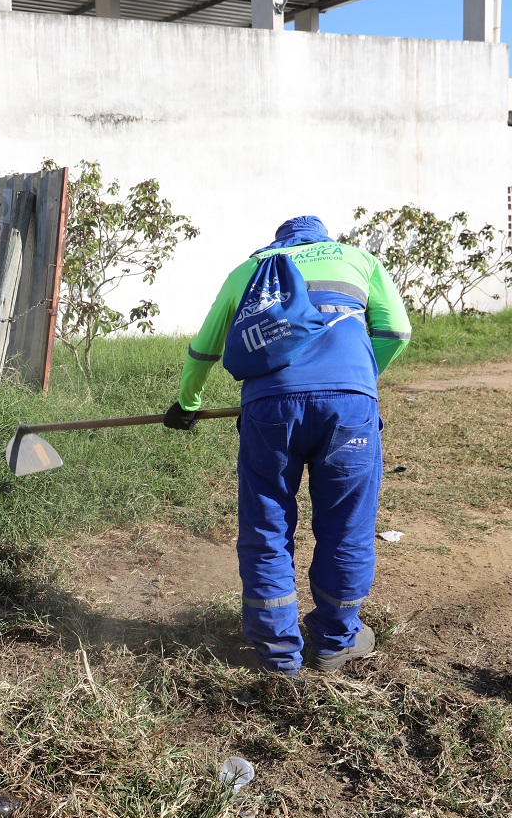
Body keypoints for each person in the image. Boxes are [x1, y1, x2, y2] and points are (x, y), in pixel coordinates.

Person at [165, 215, 411, 676]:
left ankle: (278, 658)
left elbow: (203, 349)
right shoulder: (358, 260)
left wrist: (187, 403)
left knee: (266, 527)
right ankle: (335, 644)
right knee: (346, 527)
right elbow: (396, 331)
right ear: (323, 239)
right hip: (350, 409)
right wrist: (360, 378)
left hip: (269, 410)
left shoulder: (250, 270)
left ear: (279, 241)